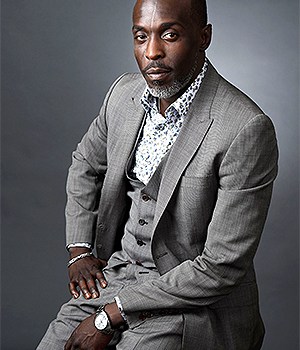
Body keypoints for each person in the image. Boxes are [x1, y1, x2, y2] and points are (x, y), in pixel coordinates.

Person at [37, 0, 278, 349]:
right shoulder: (123, 94)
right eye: (140, 36)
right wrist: (79, 250)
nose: (152, 51)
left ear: (203, 36)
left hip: (188, 300)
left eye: (170, 35)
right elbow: (85, 164)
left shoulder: (245, 127)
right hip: (116, 275)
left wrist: (109, 315)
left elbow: (221, 266)